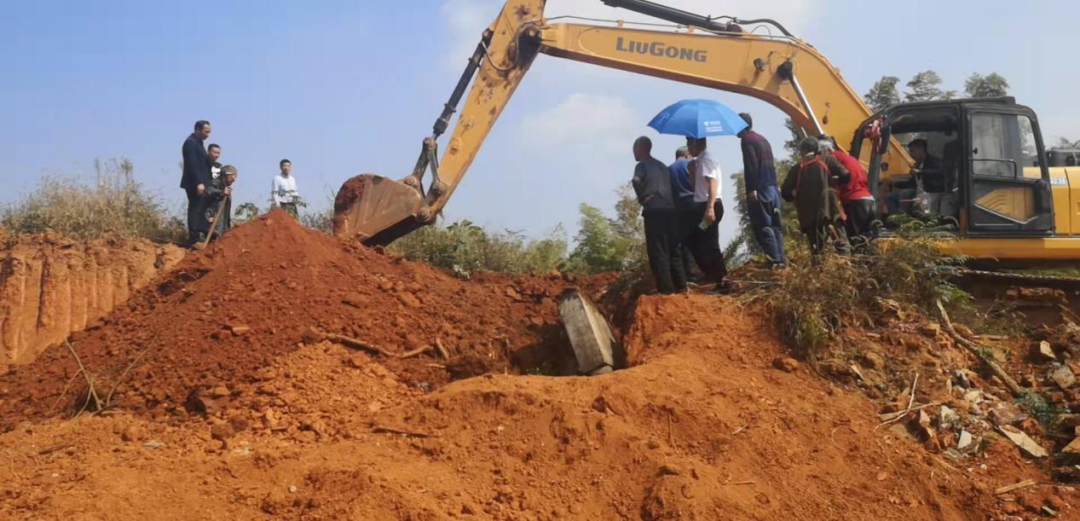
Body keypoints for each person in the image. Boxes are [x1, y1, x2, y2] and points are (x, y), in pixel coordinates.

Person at [632, 136, 686, 295]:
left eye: (634, 149)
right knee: (673, 249)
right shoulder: (662, 166)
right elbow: (674, 187)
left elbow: (636, 181)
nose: (633, 153)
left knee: (658, 250)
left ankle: (666, 290)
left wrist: (643, 198)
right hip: (670, 210)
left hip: (654, 211)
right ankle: (682, 286)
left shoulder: (641, 165)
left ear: (640, 149)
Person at [781, 137, 850, 256]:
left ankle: (821, 268)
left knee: (817, 251)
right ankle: (846, 266)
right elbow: (846, 176)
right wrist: (834, 181)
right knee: (841, 245)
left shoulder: (796, 168)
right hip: (831, 211)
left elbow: (785, 194)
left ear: (803, 151)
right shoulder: (827, 160)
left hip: (808, 218)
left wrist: (796, 193)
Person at [737, 113, 785, 267]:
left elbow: (751, 166)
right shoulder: (763, 139)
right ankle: (781, 261)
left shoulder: (747, 140)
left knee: (763, 226)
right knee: (776, 227)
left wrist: (752, 189)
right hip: (773, 188)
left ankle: (774, 261)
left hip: (761, 189)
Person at [684, 136, 728, 288]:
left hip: (709, 206)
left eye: (689, 143)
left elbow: (712, 184)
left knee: (710, 243)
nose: (688, 148)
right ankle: (711, 274)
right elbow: (697, 187)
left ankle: (721, 279)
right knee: (696, 239)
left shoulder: (706, 159)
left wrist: (710, 208)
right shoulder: (699, 161)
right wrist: (691, 172)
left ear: (695, 143)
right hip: (703, 206)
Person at [827, 137, 876, 249]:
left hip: (854, 201)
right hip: (868, 199)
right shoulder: (849, 158)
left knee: (856, 241)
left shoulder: (832, 158)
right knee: (867, 239)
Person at [668, 146, 699, 281]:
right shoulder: (692, 165)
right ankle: (704, 270)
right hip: (695, 203)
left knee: (684, 240)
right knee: (699, 236)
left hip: (678, 207)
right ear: (687, 155)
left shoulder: (669, 169)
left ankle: (690, 274)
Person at [180, 120, 213, 246]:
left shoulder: (199, 143)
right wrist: (199, 182)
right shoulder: (191, 143)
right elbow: (192, 164)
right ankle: (194, 237)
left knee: (202, 208)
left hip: (202, 183)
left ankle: (201, 233)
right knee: (196, 208)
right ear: (197, 130)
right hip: (195, 183)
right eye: (206, 132)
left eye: (209, 132)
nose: (207, 135)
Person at [202, 165, 238, 243]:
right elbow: (208, 191)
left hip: (223, 224)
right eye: (231, 177)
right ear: (225, 176)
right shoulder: (215, 182)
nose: (234, 180)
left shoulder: (226, 188)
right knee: (213, 239)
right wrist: (221, 192)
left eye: (235, 178)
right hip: (213, 220)